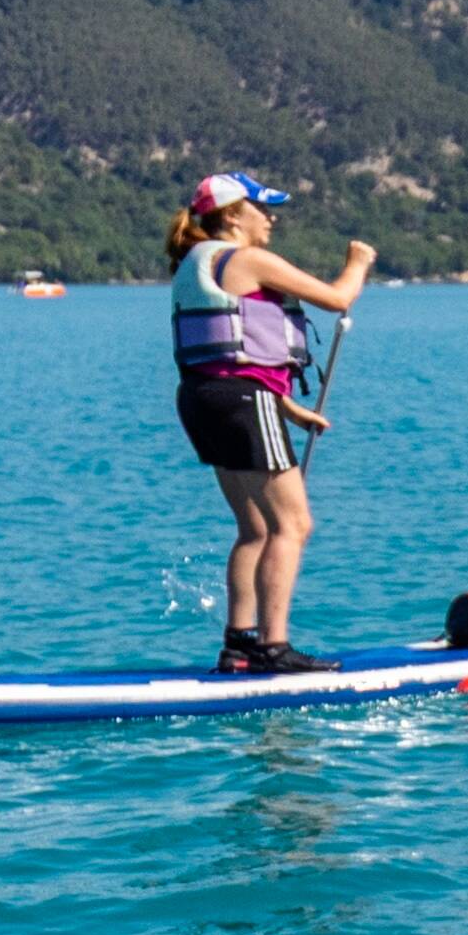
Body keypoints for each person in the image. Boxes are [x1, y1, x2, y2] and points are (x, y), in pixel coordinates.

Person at [166, 172, 374, 674]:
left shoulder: (196, 262)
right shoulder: (246, 259)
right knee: (293, 524)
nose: (271, 218)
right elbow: (338, 298)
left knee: (254, 528)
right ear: (233, 216)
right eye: (261, 208)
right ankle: (272, 647)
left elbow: (226, 355)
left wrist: (285, 406)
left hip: (203, 400)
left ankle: (239, 644)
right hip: (241, 401)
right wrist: (358, 262)